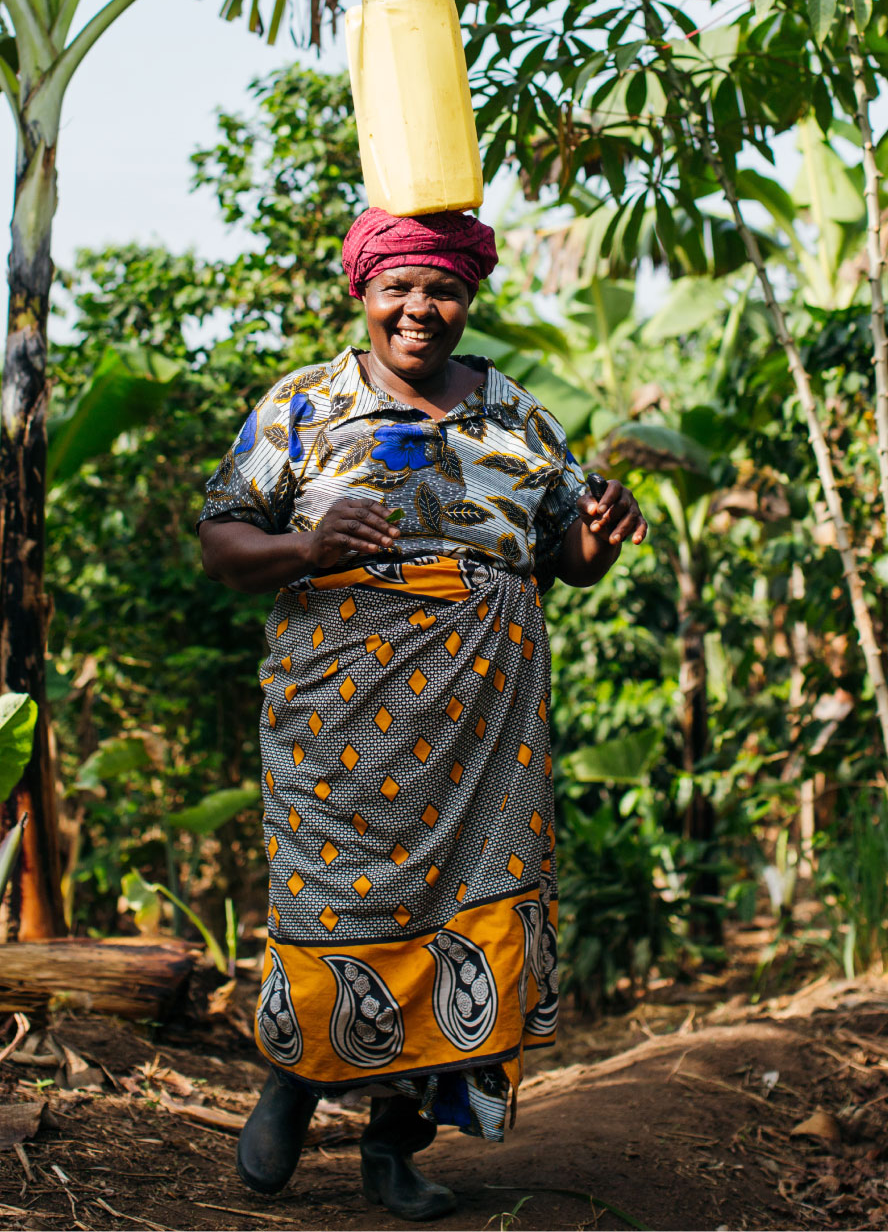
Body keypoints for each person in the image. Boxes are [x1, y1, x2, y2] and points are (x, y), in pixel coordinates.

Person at [198, 207, 647, 1221]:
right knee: (331, 900)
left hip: (486, 723)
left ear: (468, 297)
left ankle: (391, 1148)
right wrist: (310, 549)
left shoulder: (518, 415)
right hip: (338, 714)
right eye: (398, 287)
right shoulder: (303, 407)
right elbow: (224, 543)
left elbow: (565, 560)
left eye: (441, 288)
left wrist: (603, 536)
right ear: (363, 293)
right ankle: (295, 1075)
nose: (420, 308)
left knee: (466, 919)